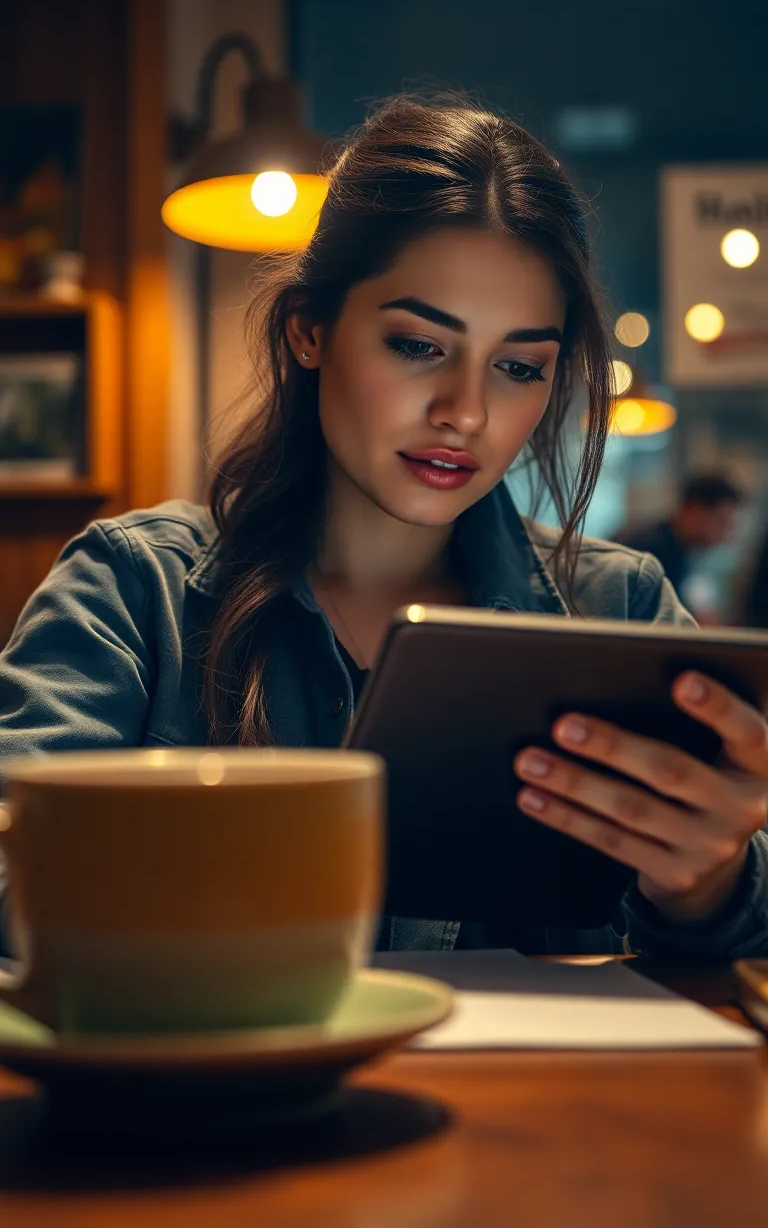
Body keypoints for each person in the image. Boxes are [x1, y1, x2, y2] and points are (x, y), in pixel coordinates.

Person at [1, 96, 767, 961]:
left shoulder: (617, 607)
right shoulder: (134, 591)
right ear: (309, 331)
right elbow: (10, 884)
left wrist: (708, 886)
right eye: (417, 345)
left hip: (533, 1098)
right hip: (211, 1097)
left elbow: (743, 933)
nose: (466, 412)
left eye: (518, 367)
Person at [613, 474, 745, 609]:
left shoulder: (679, 549)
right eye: (721, 523)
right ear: (693, 510)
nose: (726, 535)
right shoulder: (649, 550)